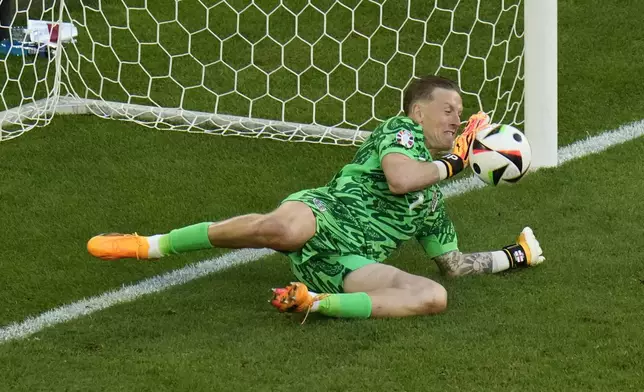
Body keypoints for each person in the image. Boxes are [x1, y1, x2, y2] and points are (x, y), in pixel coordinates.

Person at [87, 75, 545, 321]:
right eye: (449, 110)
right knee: (284, 229)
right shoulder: (399, 132)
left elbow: (455, 265)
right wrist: (457, 163)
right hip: (322, 215)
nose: (456, 121)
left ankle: (312, 303)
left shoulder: (435, 208)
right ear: (417, 110)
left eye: (460, 115)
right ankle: (149, 244)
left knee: (434, 295)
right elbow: (401, 179)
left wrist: (514, 256)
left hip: (346, 264)